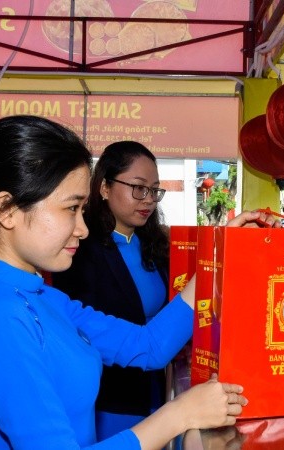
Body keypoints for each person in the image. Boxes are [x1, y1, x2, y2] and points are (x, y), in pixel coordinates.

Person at [0, 115, 263, 450]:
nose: (82, 229)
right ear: (6, 209)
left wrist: (215, 259)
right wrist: (178, 415)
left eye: (82, 211)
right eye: (71, 209)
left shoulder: (40, 297)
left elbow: (148, 346)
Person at [51, 141, 171, 439]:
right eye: (139, 188)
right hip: (110, 400)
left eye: (154, 190)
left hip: (156, 393)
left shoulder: (156, 246)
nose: (149, 200)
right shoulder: (79, 251)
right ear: (104, 187)